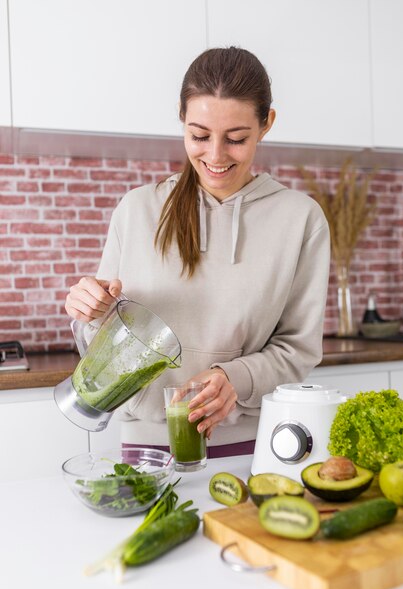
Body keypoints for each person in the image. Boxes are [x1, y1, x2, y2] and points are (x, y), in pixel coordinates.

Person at [65, 47, 330, 457]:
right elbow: (101, 340)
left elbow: (298, 347)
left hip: (254, 445)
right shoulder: (136, 210)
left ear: (267, 124)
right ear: (182, 120)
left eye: (236, 139)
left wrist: (235, 378)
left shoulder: (301, 220)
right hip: (146, 447)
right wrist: (89, 310)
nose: (216, 156)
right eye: (200, 135)